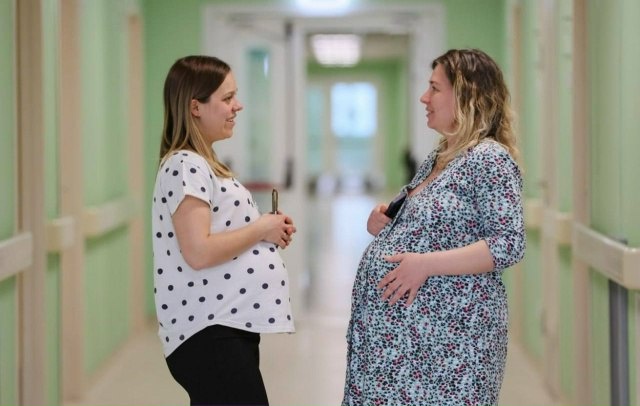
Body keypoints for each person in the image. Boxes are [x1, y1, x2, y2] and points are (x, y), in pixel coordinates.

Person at [342, 48, 525, 406]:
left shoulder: (490, 159)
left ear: (468, 95)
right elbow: (430, 224)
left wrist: (425, 265)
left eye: (435, 88)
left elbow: (508, 243)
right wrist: (384, 221)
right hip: (400, 350)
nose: (424, 98)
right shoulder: (440, 156)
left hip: (447, 350)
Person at [151, 55, 296, 406]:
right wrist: (261, 227)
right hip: (209, 331)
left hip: (223, 326)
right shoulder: (185, 165)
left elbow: (218, 235)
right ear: (195, 107)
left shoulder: (201, 164)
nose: (238, 106)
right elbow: (199, 251)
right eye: (228, 98)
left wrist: (267, 231)